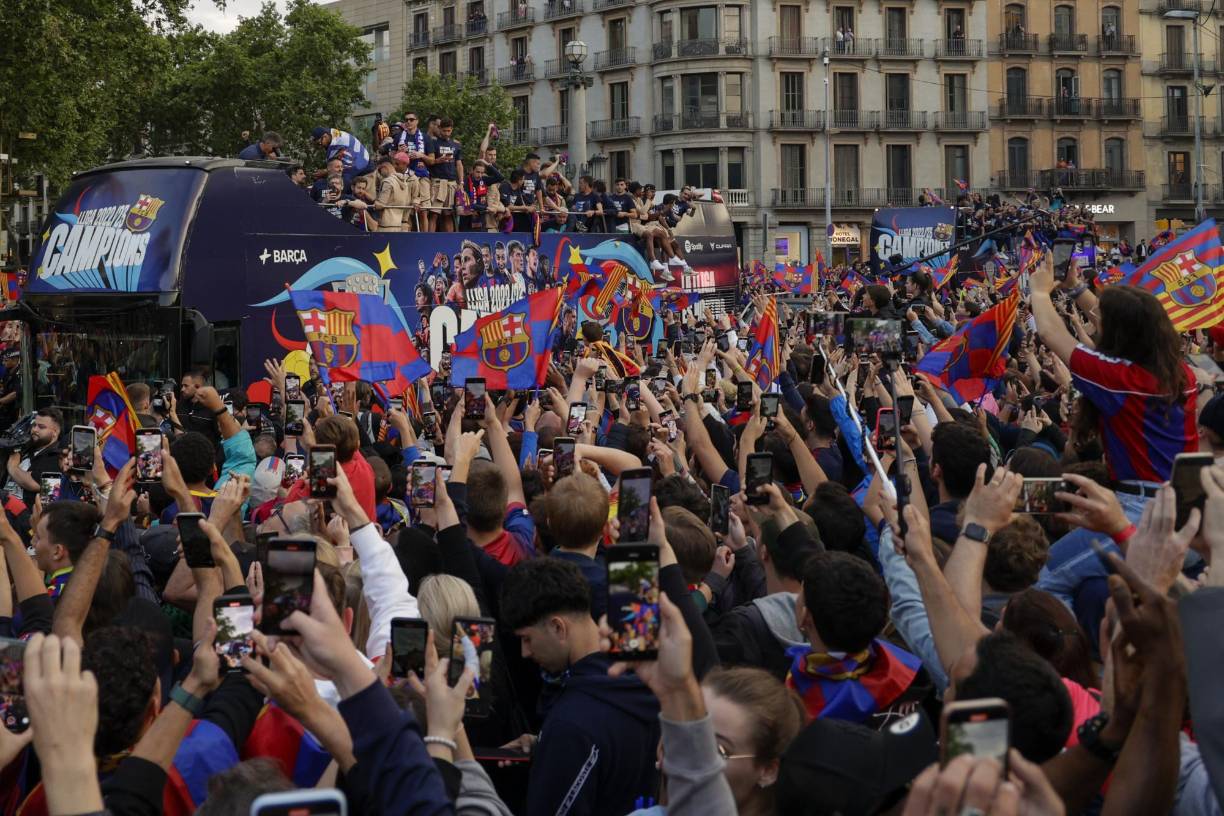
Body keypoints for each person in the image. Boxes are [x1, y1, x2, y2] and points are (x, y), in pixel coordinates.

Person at [500, 557, 661, 816]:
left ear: (557, 627)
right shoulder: (646, 672)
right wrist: (545, 747)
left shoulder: (570, 726)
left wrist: (558, 748)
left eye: (527, 638)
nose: (525, 652)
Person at [5, 408, 63, 506]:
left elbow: (34, 483)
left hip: (26, 516)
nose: (35, 429)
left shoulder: (57, 457)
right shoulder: (28, 448)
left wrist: (13, 467)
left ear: (55, 432)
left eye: (41, 427)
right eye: (34, 425)